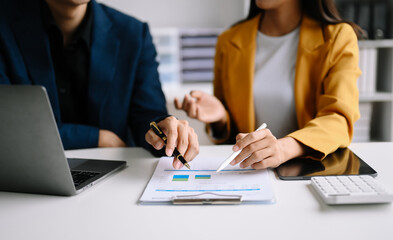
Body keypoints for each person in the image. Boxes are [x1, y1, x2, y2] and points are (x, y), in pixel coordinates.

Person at [0, 0, 199, 169]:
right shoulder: (5, 24)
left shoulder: (133, 34)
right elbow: (8, 127)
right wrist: (97, 138)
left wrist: (163, 129)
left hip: (111, 182)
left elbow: (147, 116)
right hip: (24, 177)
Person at [175, 0, 362, 169]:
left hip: (309, 170)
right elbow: (232, 140)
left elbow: (339, 118)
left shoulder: (337, 37)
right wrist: (221, 119)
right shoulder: (229, 40)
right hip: (249, 172)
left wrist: (283, 148)